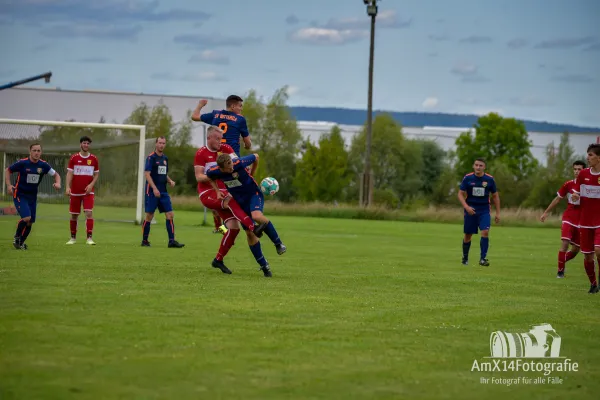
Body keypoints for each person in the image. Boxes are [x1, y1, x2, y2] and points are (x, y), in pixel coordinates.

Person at [194, 125, 263, 275]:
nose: (220, 142)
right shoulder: (201, 153)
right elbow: (198, 177)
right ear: (209, 138)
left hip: (223, 191)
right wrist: (217, 175)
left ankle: (218, 260)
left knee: (234, 228)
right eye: (217, 139)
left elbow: (236, 164)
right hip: (207, 193)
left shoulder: (225, 148)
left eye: (221, 139)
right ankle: (253, 227)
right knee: (232, 201)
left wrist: (246, 171)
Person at [207, 153, 286, 274]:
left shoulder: (238, 163)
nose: (232, 168)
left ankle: (278, 244)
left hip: (253, 195)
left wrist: (252, 173)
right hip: (240, 202)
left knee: (256, 216)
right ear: (221, 169)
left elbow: (256, 156)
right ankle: (264, 266)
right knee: (250, 233)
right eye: (228, 169)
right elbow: (210, 176)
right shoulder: (215, 171)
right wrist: (217, 191)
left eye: (232, 165)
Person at [191, 95, 252, 233]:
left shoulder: (215, 115)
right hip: (231, 161)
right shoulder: (240, 120)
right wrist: (246, 144)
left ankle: (221, 226)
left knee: (219, 193)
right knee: (240, 193)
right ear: (232, 106)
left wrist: (200, 105)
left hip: (215, 158)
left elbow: (194, 116)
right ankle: (247, 224)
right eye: (240, 106)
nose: (241, 109)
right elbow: (248, 144)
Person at [4, 143, 61, 249]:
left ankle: (20, 243)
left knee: (30, 222)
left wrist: (58, 183)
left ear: (41, 152)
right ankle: (17, 237)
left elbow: (56, 174)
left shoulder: (43, 165)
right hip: (20, 194)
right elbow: (8, 170)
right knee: (26, 218)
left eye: (38, 151)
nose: (36, 153)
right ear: (30, 151)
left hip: (32, 197)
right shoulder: (23, 163)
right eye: (34, 150)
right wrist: (8, 185)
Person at [540, 160, 586, 277]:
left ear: (584, 170)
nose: (576, 172)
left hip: (582, 220)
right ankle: (560, 272)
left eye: (579, 169)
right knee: (565, 244)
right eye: (575, 169)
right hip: (568, 218)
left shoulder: (588, 186)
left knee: (576, 250)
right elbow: (557, 199)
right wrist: (546, 212)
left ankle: (561, 262)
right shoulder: (568, 184)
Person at [141, 136, 184, 248]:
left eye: (163, 143)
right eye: (160, 143)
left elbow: (163, 173)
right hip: (151, 191)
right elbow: (147, 174)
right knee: (149, 215)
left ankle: (171, 241)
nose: (161, 145)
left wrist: (169, 180)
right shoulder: (151, 158)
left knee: (170, 214)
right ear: (156, 144)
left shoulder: (165, 158)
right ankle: (145, 241)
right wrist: (154, 188)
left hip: (163, 191)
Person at [457, 158, 501, 266]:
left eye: (480, 165)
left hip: (484, 210)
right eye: (476, 165)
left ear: (484, 167)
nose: (478, 167)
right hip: (470, 210)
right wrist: (466, 207)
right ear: (473, 166)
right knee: (468, 235)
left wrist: (498, 213)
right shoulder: (468, 178)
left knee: (485, 231)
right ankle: (465, 258)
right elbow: (460, 194)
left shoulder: (489, 179)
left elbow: (495, 196)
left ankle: (483, 258)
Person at [570, 144, 600, 294]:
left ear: (599, 157)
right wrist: (575, 197)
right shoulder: (583, 175)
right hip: (585, 222)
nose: (587, 158)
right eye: (587, 155)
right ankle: (593, 284)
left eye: (591, 155)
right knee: (588, 256)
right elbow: (576, 197)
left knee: (598, 250)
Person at [65, 135, 100, 245]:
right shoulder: (74, 158)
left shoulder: (93, 159)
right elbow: (70, 173)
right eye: (84, 143)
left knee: (89, 213)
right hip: (75, 191)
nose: (86, 145)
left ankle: (89, 238)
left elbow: (96, 174)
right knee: (74, 215)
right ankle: (73, 238)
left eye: (88, 143)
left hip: (88, 192)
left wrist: (91, 185)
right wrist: (67, 187)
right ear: (80, 144)